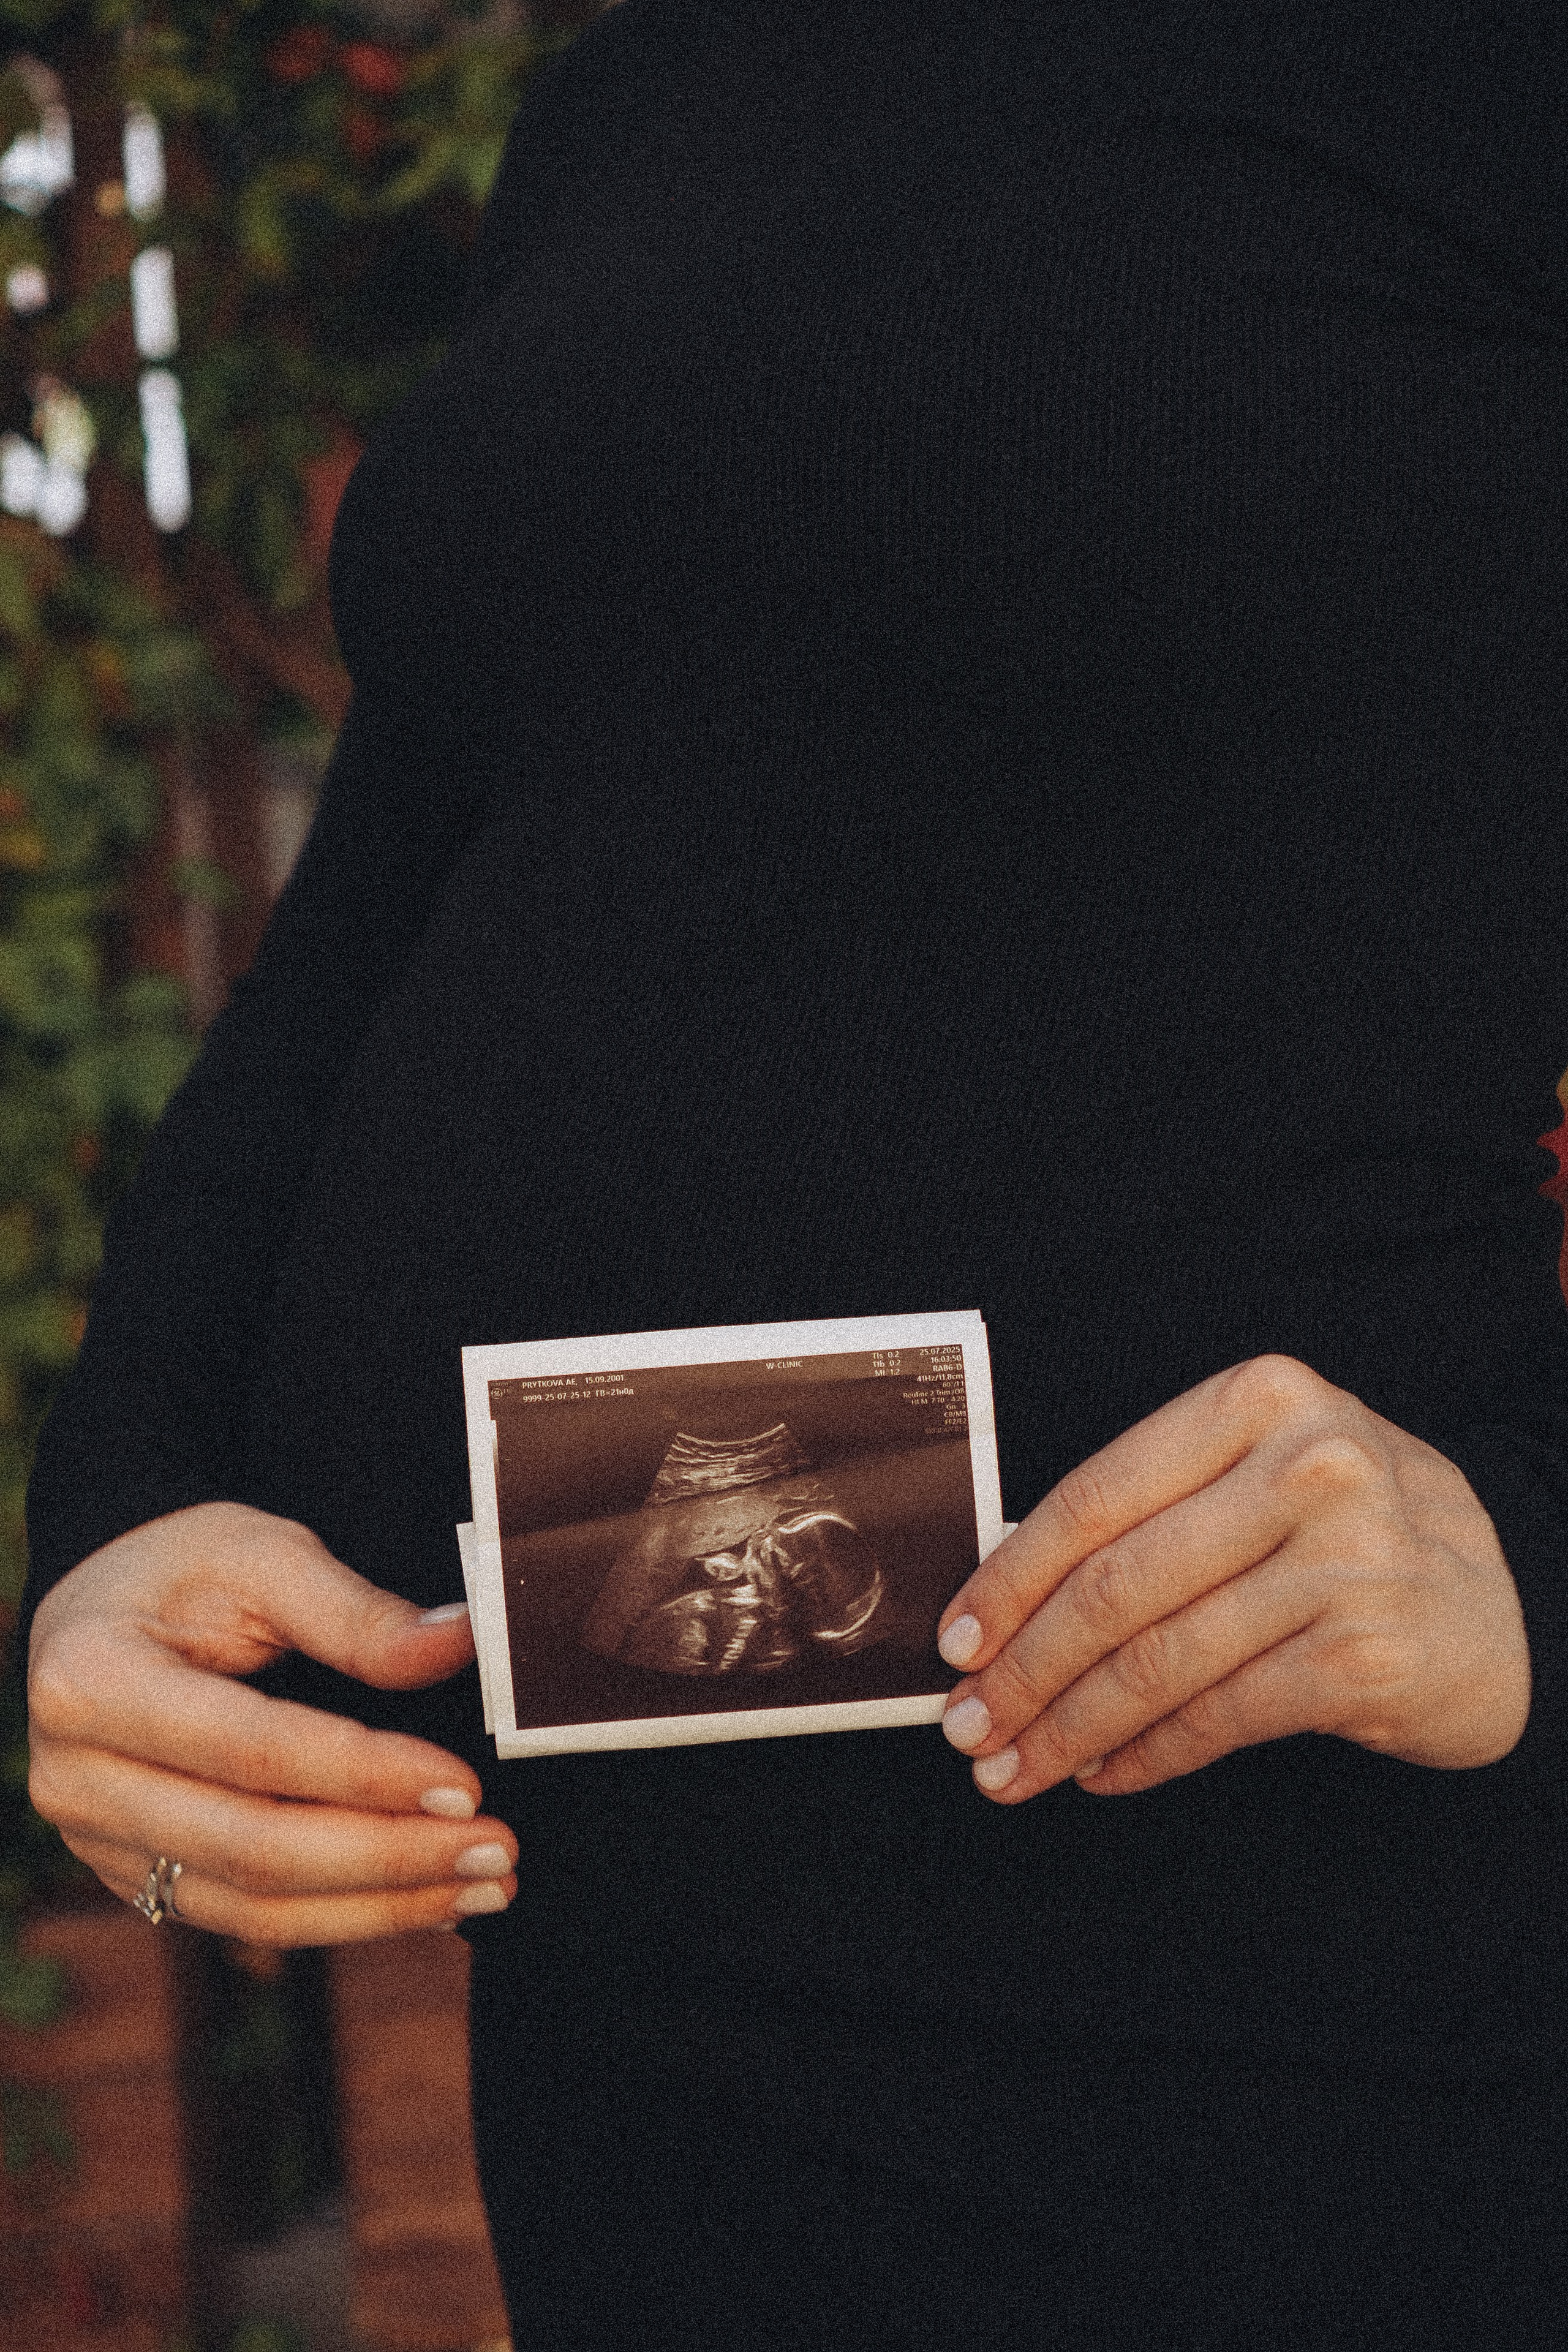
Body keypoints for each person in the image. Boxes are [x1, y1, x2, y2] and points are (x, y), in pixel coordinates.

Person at [17, 1, 1568, 2343]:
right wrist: (114, 1518)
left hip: (1296, 2023)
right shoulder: (648, 82)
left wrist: (1537, 1552)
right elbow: (388, 907)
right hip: (637, 2028)